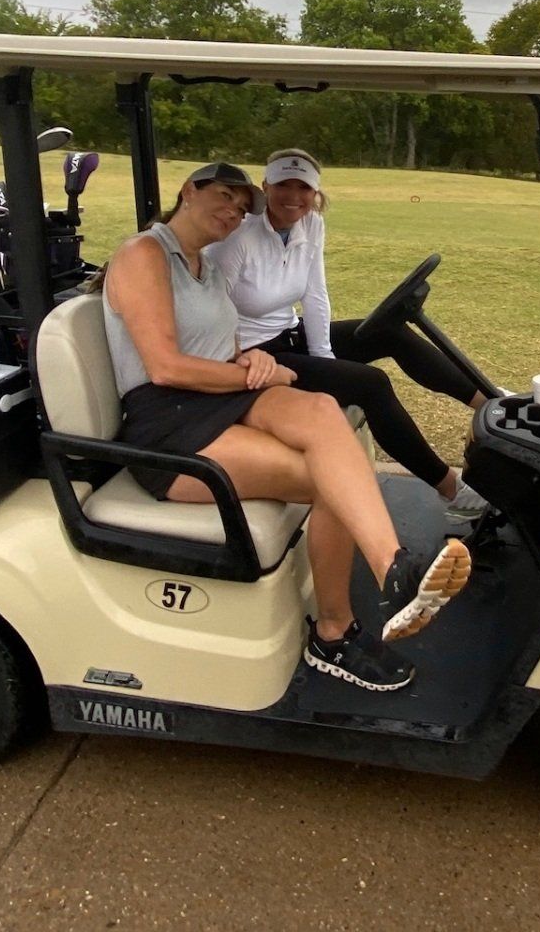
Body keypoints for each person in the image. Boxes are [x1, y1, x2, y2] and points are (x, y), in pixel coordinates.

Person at [102, 161, 471, 694]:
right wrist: (243, 370)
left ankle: (396, 569)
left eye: (241, 205)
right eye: (224, 197)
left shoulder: (203, 265)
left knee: (324, 411)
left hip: (219, 397)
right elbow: (166, 367)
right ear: (188, 191)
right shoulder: (144, 254)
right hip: (167, 423)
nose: (233, 211)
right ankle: (334, 632)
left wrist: (254, 363)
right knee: (328, 479)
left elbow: (219, 344)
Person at [208, 149, 490, 519]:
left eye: (303, 188)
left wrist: (323, 356)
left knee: (391, 332)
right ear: (265, 187)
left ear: (315, 193)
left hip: (292, 335)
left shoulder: (310, 224)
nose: (293, 197)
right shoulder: (237, 239)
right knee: (370, 384)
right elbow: (214, 312)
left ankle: (491, 406)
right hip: (253, 357)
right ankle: (450, 489)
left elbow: (315, 293)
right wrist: (245, 358)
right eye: (283, 186)